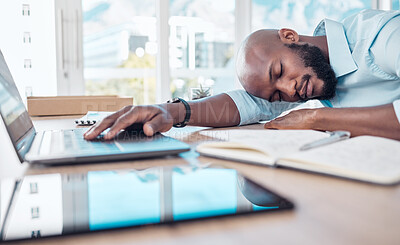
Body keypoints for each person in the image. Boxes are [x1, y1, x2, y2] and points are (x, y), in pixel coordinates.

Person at [84, 9, 400, 141]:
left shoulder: (382, 37)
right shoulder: (307, 77)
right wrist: (172, 111)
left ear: (290, 36)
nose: (289, 92)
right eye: (277, 95)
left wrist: (318, 120)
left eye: (279, 71)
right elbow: (249, 104)